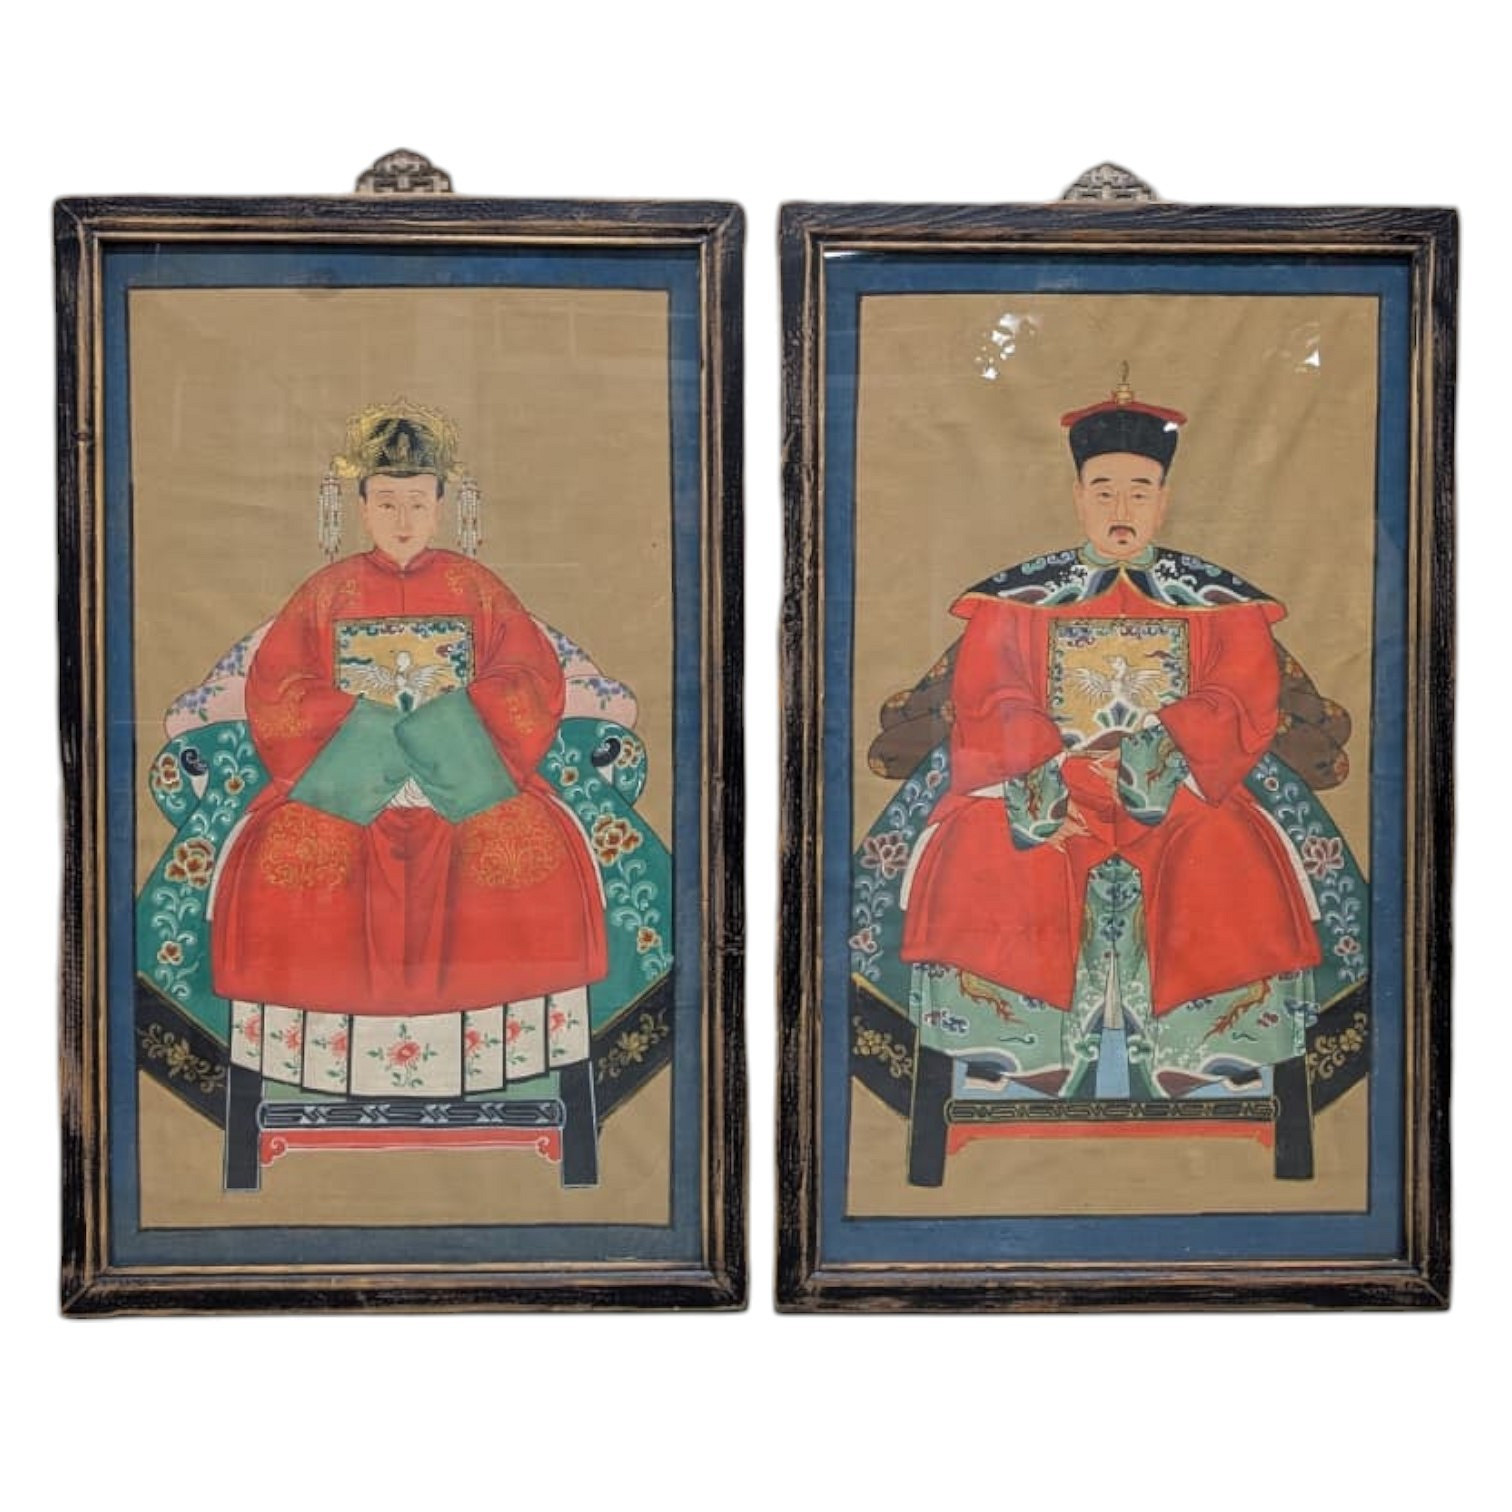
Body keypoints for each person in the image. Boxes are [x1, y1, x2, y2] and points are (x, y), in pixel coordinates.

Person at [897, 374, 1331, 1102]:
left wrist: (1161, 744)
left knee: (1223, 845)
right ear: (1077, 496)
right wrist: (1040, 764)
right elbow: (990, 692)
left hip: (1178, 778)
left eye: (1138, 492)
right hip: (1049, 778)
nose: (1121, 510)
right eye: (1103, 492)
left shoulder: (1219, 602)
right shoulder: (1018, 600)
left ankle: (1208, 1055)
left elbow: (1240, 692)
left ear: (1163, 498)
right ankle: (1012, 1048)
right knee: (989, 845)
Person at [209, 400, 607, 1099]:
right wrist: (374, 744)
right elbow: (278, 690)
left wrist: (441, 739)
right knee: (289, 853)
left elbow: (529, 680)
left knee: (520, 847)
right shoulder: (325, 593)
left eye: (417, 504)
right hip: (343, 779)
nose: (402, 520)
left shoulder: (476, 589)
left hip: (466, 774)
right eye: (387, 503)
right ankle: (315, 1076)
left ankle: (503, 1072)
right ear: (359, 506)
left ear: (443, 506)